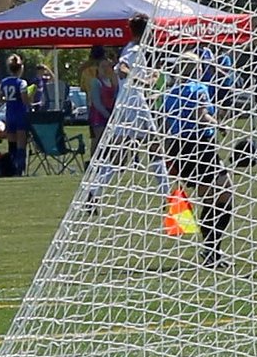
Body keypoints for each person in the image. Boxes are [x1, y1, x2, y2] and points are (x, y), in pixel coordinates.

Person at [85, 14, 172, 208]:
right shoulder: (135, 49)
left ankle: (93, 192)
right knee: (155, 146)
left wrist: (147, 77)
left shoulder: (131, 48)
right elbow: (122, 68)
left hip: (125, 101)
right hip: (134, 101)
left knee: (119, 152)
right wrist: (142, 81)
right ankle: (167, 196)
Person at [162, 51, 234, 267]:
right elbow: (200, 115)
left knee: (212, 197)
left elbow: (165, 125)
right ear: (197, 69)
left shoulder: (170, 93)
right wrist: (220, 124)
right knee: (225, 194)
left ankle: (211, 251)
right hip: (199, 146)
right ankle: (211, 249)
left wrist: (168, 157)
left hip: (178, 149)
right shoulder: (199, 88)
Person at [0, 54, 31, 177]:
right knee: (21, 144)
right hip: (20, 114)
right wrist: (30, 103)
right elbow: (24, 100)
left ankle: (11, 169)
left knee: (12, 144)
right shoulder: (21, 83)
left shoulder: (4, 82)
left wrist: (8, 99)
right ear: (20, 68)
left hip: (9, 114)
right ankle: (19, 170)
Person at [87, 55, 119, 154]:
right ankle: (92, 164)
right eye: (103, 66)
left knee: (111, 141)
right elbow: (96, 103)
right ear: (98, 68)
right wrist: (108, 116)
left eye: (107, 66)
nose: (105, 69)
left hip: (110, 113)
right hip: (98, 115)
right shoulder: (95, 82)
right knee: (98, 141)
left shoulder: (111, 81)